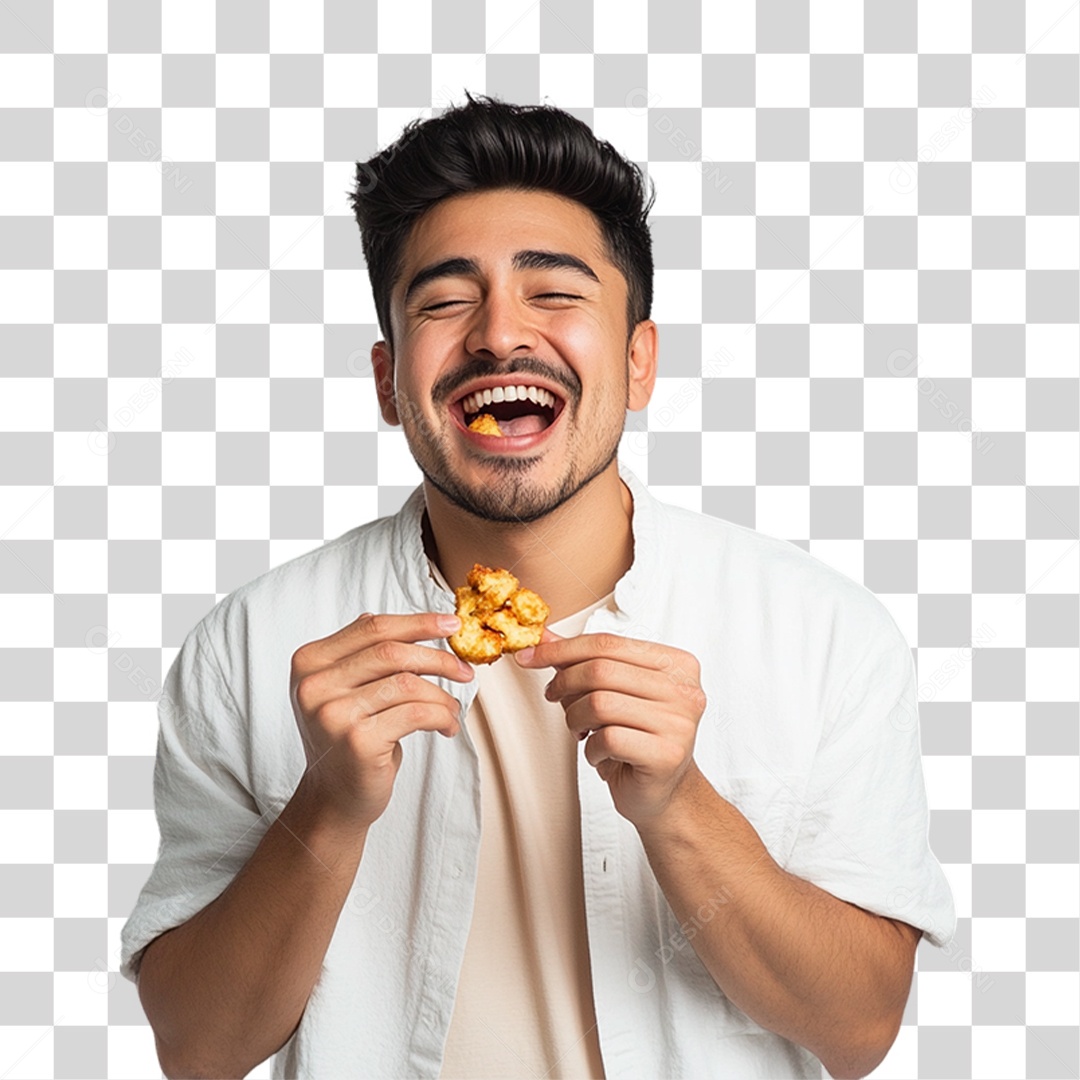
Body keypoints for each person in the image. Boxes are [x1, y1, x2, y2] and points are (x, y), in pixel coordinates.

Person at [120, 93, 955, 1080]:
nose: (497, 334)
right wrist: (329, 808)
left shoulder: (821, 632)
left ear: (639, 363)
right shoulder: (252, 647)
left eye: (554, 292)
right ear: (388, 383)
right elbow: (196, 1048)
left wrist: (681, 804)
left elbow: (859, 1030)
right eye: (444, 299)